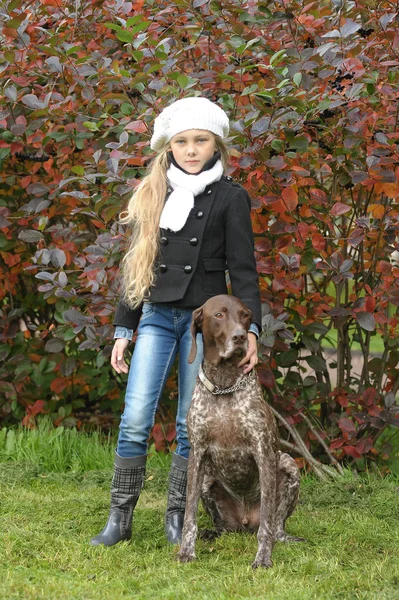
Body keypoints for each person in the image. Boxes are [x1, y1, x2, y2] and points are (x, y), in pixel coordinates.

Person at [91, 97, 262, 547]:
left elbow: (243, 271)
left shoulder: (231, 198)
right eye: (182, 141)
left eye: (200, 141)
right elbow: (138, 268)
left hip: (202, 326)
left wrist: (254, 330)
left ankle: (176, 517)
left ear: (215, 145)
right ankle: (119, 519)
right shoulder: (152, 192)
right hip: (154, 317)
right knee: (135, 417)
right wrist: (123, 330)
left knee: (191, 422)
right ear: (169, 147)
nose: (191, 149)